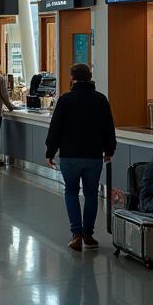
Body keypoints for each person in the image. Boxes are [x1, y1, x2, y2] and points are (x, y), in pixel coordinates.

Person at [45, 63, 117, 251]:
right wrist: (109, 150)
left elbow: (55, 129)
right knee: (91, 194)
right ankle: (88, 234)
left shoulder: (65, 100)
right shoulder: (101, 100)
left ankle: (76, 234)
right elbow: (109, 127)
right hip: (94, 155)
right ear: (90, 76)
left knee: (71, 191)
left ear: (72, 78)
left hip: (69, 155)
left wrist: (50, 152)